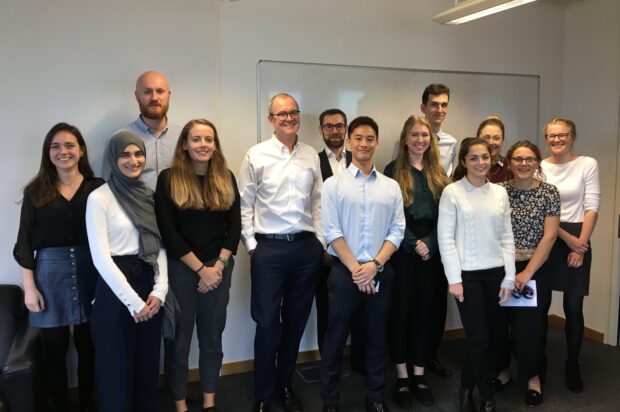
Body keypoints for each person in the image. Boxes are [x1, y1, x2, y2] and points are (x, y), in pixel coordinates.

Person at [238, 93, 325, 412]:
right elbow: (244, 204)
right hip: (269, 249)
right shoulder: (256, 155)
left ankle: (285, 384)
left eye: (293, 112)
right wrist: (252, 246)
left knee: (295, 321)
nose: (288, 117)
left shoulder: (310, 155)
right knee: (266, 323)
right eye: (281, 113)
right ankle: (263, 392)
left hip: (305, 249)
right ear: (271, 119)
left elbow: (317, 201)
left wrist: (318, 241)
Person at [14, 122, 103, 412]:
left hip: (93, 272)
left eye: (69, 145)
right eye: (55, 146)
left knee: (90, 349)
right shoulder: (35, 191)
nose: (62, 151)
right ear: (48, 152)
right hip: (49, 276)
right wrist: (29, 287)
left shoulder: (98, 188)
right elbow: (24, 243)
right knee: (55, 351)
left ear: (81, 151)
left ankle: (88, 405)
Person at [320, 116, 405, 412]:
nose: (364, 143)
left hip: (380, 270)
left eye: (370, 138)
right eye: (358, 137)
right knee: (335, 338)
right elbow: (330, 232)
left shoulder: (390, 187)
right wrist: (357, 269)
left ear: (377, 143)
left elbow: (397, 230)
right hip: (345, 273)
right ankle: (330, 401)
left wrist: (375, 265)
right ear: (348, 141)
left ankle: (375, 398)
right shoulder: (333, 185)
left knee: (376, 337)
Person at [155, 119, 241, 412]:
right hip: (181, 269)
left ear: (215, 145)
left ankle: (209, 401)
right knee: (179, 342)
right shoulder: (168, 179)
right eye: (196, 139)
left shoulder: (226, 177)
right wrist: (200, 270)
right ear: (184, 144)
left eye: (209, 139)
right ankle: (179, 404)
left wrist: (217, 266)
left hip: (219, 269)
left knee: (211, 338)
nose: (203, 145)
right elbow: (168, 231)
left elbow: (235, 227)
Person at [86, 131, 168, 412]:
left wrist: (161, 289)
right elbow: (100, 258)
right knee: (115, 369)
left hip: (148, 280)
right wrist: (134, 302)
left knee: (146, 367)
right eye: (125, 155)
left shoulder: (148, 195)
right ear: (113, 158)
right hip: (115, 288)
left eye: (138, 154)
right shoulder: (99, 198)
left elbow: (159, 244)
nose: (134, 160)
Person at [437, 137, 515, 412]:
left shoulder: (500, 193)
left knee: (494, 337)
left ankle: (466, 385)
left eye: (485, 157)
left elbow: (507, 236)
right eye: (474, 158)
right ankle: (487, 394)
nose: (481, 162)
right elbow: (445, 239)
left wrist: (509, 276)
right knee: (478, 337)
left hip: (496, 274)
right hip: (467, 276)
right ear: (463, 161)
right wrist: (454, 279)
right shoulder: (453, 192)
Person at [384, 115, 451, 408]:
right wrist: (414, 244)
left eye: (425, 135)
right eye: (415, 135)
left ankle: (420, 374)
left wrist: (432, 244)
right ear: (405, 139)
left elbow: (448, 217)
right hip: (402, 251)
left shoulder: (440, 174)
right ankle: (401, 375)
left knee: (426, 313)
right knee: (401, 313)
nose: (421, 139)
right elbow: (389, 217)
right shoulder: (392, 172)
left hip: (433, 255)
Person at [492, 140, 560, 407]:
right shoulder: (497, 191)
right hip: (500, 267)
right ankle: (503, 370)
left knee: (529, 328)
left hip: (535, 267)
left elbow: (550, 236)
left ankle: (533, 377)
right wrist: (510, 272)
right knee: (499, 324)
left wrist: (527, 273)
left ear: (537, 163)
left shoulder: (549, 193)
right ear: (509, 162)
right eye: (518, 159)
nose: (523, 164)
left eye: (529, 159)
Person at [540, 117, 600, 393]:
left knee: (573, 308)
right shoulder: (540, 166)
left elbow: (591, 206)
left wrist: (581, 245)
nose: (556, 140)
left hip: (579, 235)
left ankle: (572, 364)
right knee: (539, 307)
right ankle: (537, 364)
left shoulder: (587, 164)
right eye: (551, 136)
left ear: (572, 136)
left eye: (562, 135)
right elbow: (541, 210)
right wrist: (567, 239)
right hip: (548, 237)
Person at [419, 82, 456, 378]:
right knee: (416, 297)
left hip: (444, 225)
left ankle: (431, 354)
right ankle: (412, 356)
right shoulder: (413, 138)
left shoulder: (452, 144)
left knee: (436, 299)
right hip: (418, 227)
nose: (439, 110)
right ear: (424, 107)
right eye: (434, 104)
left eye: (444, 104)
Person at [102, 70, 180, 190]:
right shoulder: (118, 139)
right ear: (137, 96)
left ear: (169, 95)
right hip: (133, 208)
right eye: (147, 92)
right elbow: (108, 186)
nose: (154, 97)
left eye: (160, 91)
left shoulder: (184, 137)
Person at [316, 108, 351, 355]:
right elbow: (311, 208)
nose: (334, 130)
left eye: (339, 125)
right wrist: (322, 247)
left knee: (358, 310)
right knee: (326, 310)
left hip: (358, 251)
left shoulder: (360, 159)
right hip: (324, 253)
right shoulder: (311, 161)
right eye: (329, 126)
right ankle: (329, 363)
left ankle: (358, 364)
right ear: (321, 130)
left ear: (346, 128)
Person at [453, 116, 510, 183]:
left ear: (502, 141)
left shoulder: (509, 166)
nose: (491, 142)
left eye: (496, 138)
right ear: (477, 139)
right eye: (486, 137)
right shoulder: (467, 166)